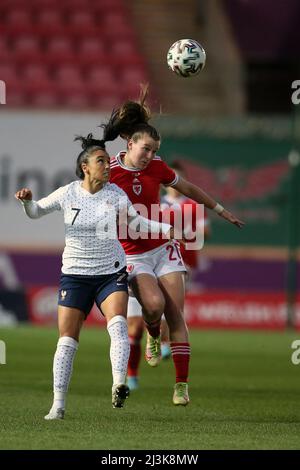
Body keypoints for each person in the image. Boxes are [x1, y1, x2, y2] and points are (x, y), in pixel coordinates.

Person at [98, 88, 244, 406]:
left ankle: (181, 386)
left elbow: (188, 187)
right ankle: (152, 334)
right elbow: (85, 196)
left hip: (164, 249)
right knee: (153, 308)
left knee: (174, 313)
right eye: (146, 148)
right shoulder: (110, 172)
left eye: (155, 150)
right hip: (133, 254)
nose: (150, 155)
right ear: (130, 143)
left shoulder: (158, 168)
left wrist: (220, 210)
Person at [15, 134, 175, 419]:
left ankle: (118, 384)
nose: (107, 166)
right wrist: (27, 202)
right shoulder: (68, 193)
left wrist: (164, 229)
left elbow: (136, 221)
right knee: (66, 340)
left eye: (107, 161)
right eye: (101, 161)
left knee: (117, 327)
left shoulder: (115, 194)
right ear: (85, 167)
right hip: (75, 276)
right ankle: (58, 405)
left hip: (109, 272)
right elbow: (36, 211)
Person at [126, 161, 211, 391]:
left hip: (175, 261)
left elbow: (205, 231)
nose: (175, 186)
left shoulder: (192, 206)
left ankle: (164, 343)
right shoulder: (153, 204)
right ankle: (131, 376)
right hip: (137, 261)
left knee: (171, 312)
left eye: (179, 181)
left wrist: (184, 230)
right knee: (134, 325)